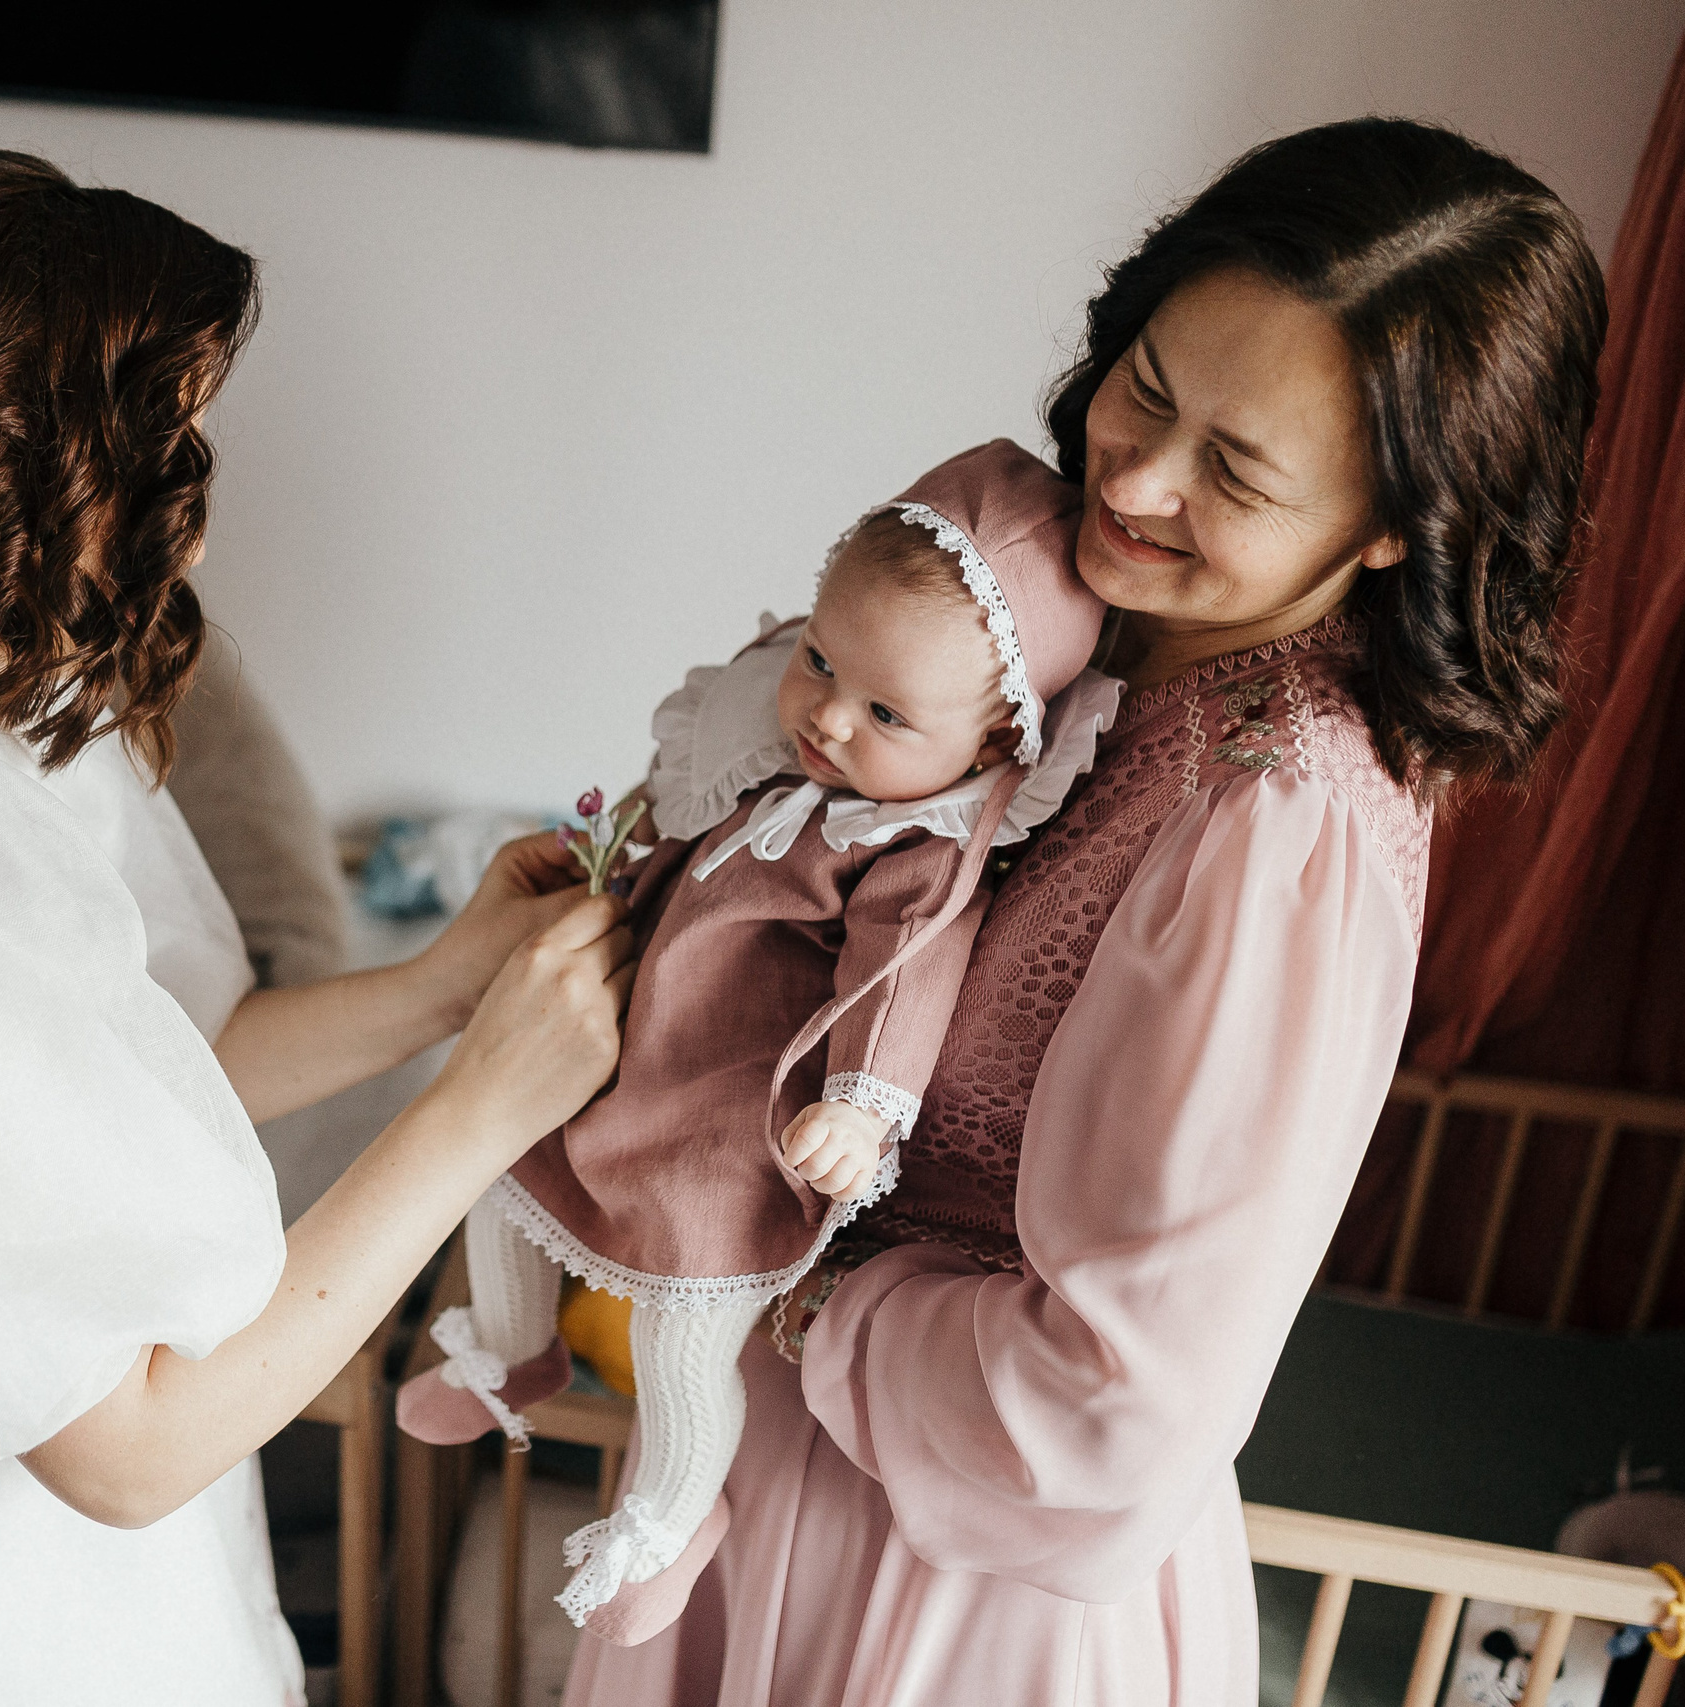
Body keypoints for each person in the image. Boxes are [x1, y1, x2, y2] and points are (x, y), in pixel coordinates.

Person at [566, 116, 1604, 1706]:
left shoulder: (1281, 821)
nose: (1135, 477)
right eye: (1147, 387)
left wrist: (814, 1305)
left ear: (1396, 526)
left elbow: (1114, 1406)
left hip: (951, 1585)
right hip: (766, 1472)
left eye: (1236, 470)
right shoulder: (1058, 603)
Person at [0, 149, 633, 1706]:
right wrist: (485, 1105)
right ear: (18, 457)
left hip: (113, 1591)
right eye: (176, 448)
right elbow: (127, 1445)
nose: (195, 523)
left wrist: (440, 986)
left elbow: (172, 1048)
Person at [395, 443, 1111, 1643]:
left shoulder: (917, 856)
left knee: (684, 1339)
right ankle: (513, 1356)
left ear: (991, 748)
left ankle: (670, 1521)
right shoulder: (773, 767)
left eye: (885, 712)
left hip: (726, 1128)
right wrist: (601, 881)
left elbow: (902, 980)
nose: (827, 716)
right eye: (821, 662)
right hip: (630, 1064)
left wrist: (865, 1105)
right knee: (500, 1191)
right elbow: (671, 848)